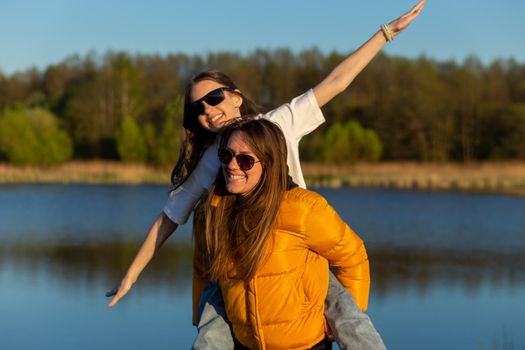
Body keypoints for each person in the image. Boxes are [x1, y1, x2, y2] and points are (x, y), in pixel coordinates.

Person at [107, 1, 425, 348]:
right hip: (241, 256)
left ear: (237, 98)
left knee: (346, 316)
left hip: (297, 249)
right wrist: (131, 276)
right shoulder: (213, 159)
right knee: (213, 324)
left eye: (215, 98)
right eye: (198, 109)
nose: (209, 111)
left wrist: (386, 33)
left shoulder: (280, 122)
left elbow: (336, 82)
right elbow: (169, 217)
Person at [198, 118, 370, 350]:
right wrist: (197, 319)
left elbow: (353, 256)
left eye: (245, 160)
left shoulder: (303, 208)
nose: (232, 165)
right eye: (226, 155)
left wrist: (342, 319)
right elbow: (203, 269)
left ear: (269, 163)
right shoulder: (216, 209)